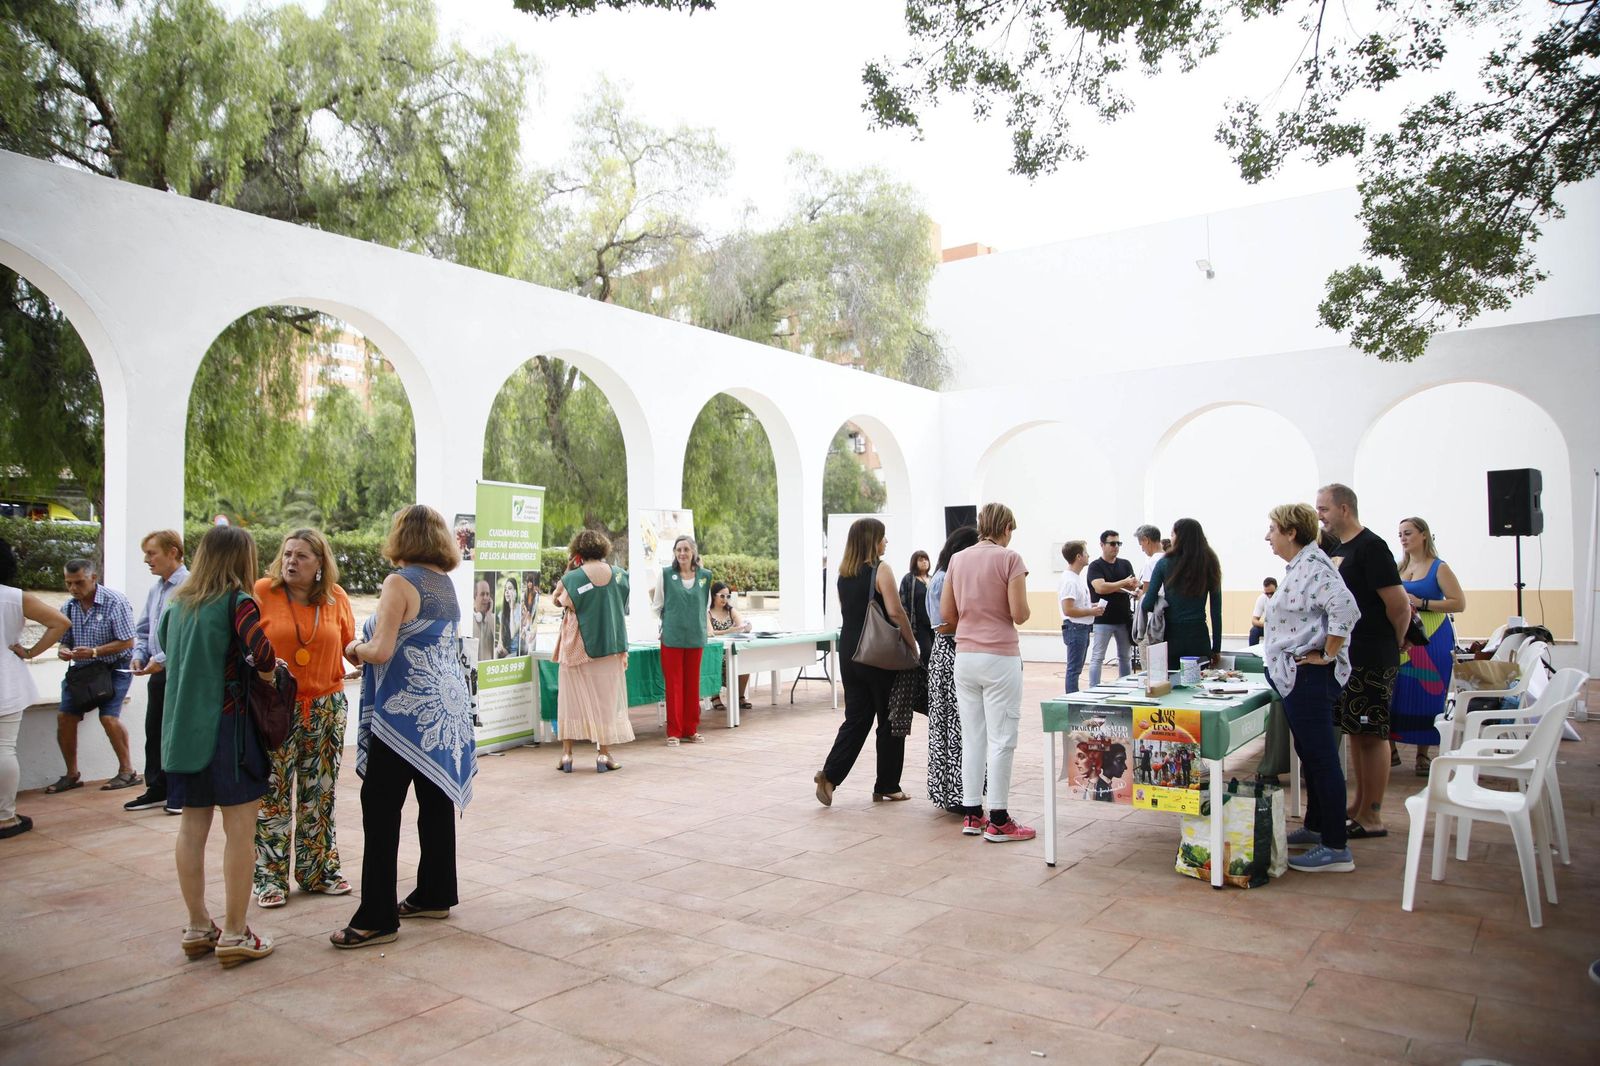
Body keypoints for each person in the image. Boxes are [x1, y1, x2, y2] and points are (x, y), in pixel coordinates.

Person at [334, 505, 475, 949]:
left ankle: (376, 917)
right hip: (443, 711)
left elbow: (380, 650)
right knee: (435, 804)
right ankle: (435, 893)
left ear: (401, 536)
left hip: (403, 714)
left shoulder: (399, 582)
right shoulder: (444, 583)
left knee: (380, 810)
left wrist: (353, 647)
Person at [159, 525, 282, 964]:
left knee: (191, 830)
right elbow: (263, 654)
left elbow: (165, 650)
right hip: (229, 731)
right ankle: (234, 933)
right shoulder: (238, 602)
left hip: (182, 731)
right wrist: (267, 676)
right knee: (240, 834)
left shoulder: (176, 605)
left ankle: (197, 926)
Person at [251, 529, 357, 909]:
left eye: (301, 556)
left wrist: (366, 651)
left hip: (326, 707)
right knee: (273, 796)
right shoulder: (262, 592)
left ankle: (319, 872)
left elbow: (348, 644)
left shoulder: (336, 597)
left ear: (320, 564)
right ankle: (269, 878)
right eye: (287, 554)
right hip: (276, 708)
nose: (291, 562)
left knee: (320, 794)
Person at [1263, 503, 1362, 873]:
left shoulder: (1313, 566)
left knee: (1321, 758)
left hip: (1309, 678)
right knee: (1312, 755)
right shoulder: (1302, 565)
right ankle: (1318, 826)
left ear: (1291, 532)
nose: (1267, 537)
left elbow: (1345, 608)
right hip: (1298, 677)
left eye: (1273, 530)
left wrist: (1328, 652)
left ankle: (1336, 847)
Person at [1317, 483, 1409, 838]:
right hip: (1350, 656)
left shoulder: (1371, 547)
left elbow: (1398, 605)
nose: (1320, 516)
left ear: (1344, 509)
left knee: (1372, 734)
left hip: (1373, 654)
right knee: (1356, 733)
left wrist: (1394, 641)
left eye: (1324, 509)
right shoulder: (1340, 548)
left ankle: (1373, 815)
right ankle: (1359, 805)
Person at [942, 502, 1033, 842]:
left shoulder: (957, 559)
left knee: (973, 737)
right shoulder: (1011, 560)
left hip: (965, 657)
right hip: (1000, 658)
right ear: (1006, 527)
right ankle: (998, 819)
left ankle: (972, 813)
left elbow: (948, 613)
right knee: (1002, 738)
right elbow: (1019, 613)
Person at [814, 517, 918, 806]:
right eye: (883, 537)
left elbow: (851, 612)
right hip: (877, 653)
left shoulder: (842, 574)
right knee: (890, 719)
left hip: (850, 651)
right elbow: (895, 612)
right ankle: (887, 784)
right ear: (872, 540)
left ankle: (830, 777)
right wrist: (912, 643)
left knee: (857, 718)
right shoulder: (881, 570)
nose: (886, 542)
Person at [46, 559, 139, 793]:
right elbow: (64, 641)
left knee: (108, 718)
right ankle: (71, 774)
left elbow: (128, 641)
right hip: (83, 671)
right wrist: (63, 651)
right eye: (69, 583)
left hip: (114, 668)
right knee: (65, 717)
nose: (73, 588)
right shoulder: (69, 606)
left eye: (79, 582)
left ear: (93, 578)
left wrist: (95, 651)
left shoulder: (115, 601)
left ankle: (127, 771)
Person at [2, 538, 71, 839]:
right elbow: (60, 623)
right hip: (5, 681)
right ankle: (5, 817)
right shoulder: (14, 597)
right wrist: (29, 652)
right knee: (4, 748)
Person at [552, 530, 632, 773]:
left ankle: (567, 754)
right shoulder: (620, 575)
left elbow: (558, 600)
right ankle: (603, 754)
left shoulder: (573, 578)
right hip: (610, 643)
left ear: (578, 552)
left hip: (578, 646)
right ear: (603, 548)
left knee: (570, 700)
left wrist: (568, 572)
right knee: (606, 701)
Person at [1393, 516, 1466, 777]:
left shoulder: (1439, 567)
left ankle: (1423, 754)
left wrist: (1422, 603)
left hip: (1433, 637)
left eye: (1408, 533)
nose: (1403, 538)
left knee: (1428, 692)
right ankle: (1391, 746)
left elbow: (1458, 603)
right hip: (1404, 637)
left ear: (1423, 534)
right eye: (1400, 534)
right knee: (1397, 689)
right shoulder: (1399, 567)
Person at [123, 530, 189, 814]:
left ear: (173, 552)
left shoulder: (189, 586)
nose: (146, 560)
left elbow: (187, 634)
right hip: (159, 673)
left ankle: (180, 794)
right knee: (155, 731)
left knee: (178, 733)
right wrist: (140, 655)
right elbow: (143, 630)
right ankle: (157, 788)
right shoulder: (156, 589)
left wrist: (162, 658)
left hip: (182, 672)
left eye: (152, 553)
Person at [925, 525, 979, 811]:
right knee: (952, 726)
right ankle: (955, 794)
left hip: (953, 653)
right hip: (949, 654)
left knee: (959, 725)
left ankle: (961, 792)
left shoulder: (948, 576)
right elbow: (943, 625)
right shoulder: (943, 579)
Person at [1141, 518, 1223, 665]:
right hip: (1199, 635)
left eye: (1172, 534)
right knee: (1200, 679)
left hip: (1172, 636)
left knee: (1173, 678)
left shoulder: (1164, 563)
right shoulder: (1210, 562)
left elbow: (1147, 604)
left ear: (1180, 537)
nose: (1171, 538)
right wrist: (1216, 648)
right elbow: (1216, 611)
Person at [657, 535, 712, 746]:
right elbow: (658, 605)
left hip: (695, 636)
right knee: (674, 684)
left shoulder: (705, 576)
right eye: (678, 549)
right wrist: (669, 622)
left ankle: (691, 729)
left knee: (692, 684)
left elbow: (705, 605)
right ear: (674, 552)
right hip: (672, 637)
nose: (682, 553)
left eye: (686, 549)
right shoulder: (665, 575)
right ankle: (674, 731)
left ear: (693, 552)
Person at [1085, 531, 1137, 686]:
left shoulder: (1125, 564)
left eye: (1118, 543)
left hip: (1124, 618)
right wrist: (1123, 583)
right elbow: (1100, 588)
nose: (1116, 547)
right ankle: (1093, 689)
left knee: (1125, 657)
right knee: (1098, 657)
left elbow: (1133, 585)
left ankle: (1125, 687)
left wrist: (1114, 586)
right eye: (1112, 543)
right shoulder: (1095, 566)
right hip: (1103, 619)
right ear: (1102, 545)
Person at [1057, 540, 1104, 693]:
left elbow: (1077, 605)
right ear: (1078, 556)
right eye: (1085, 553)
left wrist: (1091, 606)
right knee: (1074, 670)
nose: (1088, 555)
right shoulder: (1070, 580)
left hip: (1081, 627)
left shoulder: (1075, 578)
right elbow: (1068, 609)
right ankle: (1072, 701)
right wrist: (1091, 611)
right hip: (1075, 627)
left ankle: (1073, 699)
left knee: (1076, 669)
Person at [706, 581, 752, 713]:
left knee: (745, 662)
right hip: (715, 651)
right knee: (716, 662)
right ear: (713, 596)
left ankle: (740, 696)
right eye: (722, 596)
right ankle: (715, 697)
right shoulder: (707, 613)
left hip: (731, 649)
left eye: (728, 596)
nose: (725, 599)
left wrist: (746, 627)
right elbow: (710, 633)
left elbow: (741, 625)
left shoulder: (731, 611)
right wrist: (729, 631)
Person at [898, 550, 936, 665]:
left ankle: (932, 674)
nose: (924, 562)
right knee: (927, 651)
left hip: (934, 623)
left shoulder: (933, 578)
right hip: (918, 623)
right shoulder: (909, 579)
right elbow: (902, 601)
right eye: (921, 560)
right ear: (914, 562)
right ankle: (924, 673)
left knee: (935, 651)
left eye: (926, 559)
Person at [498, 574, 523, 657]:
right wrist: (501, 647)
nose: (507, 592)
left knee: (507, 658)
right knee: (495, 652)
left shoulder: (520, 610)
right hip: (506, 649)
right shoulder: (502, 612)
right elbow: (500, 639)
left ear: (515, 591)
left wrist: (512, 608)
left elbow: (512, 634)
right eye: (505, 589)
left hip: (516, 652)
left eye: (510, 588)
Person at [1249, 578, 1277, 647]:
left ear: (1277, 589)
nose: (1269, 595)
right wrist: (1266, 624)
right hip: (1268, 627)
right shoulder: (1262, 598)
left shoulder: (1283, 598)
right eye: (1267, 593)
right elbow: (1254, 620)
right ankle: (1253, 652)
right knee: (1254, 631)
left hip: (1282, 628)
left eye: (1272, 593)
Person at [471, 578, 494, 662]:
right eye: (482, 594)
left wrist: (489, 615)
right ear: (475, 597)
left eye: (487, 594)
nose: (485, 597)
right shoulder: (470, 620)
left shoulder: (492, 619)